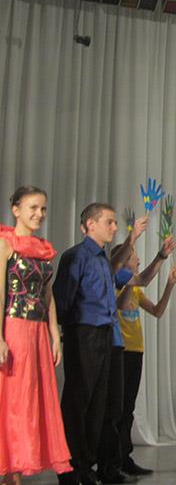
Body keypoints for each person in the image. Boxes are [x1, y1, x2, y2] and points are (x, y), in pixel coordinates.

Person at [54, 203, 147, 485]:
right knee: (79, 401)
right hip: (84, 333)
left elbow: (124, 279)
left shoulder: (103, 260)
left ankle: (87, 465)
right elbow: (63, 297)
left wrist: (133, 239)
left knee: (100, 405)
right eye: (109, 222)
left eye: (115, 222)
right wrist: (69, 332)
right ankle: (70, 468)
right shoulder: (76, 256)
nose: (114, 227)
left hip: (105, 335)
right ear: (90, 225)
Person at [0, 187, 72, 484]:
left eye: (42, 208)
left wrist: (54, 334)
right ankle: (9, 469)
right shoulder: (5, 244)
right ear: (16, 210)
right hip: (14, 327)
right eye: (33, 207)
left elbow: (47, 295)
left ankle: (16, 466)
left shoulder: (43, 248)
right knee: (14, 398)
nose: (39, 214)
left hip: (38, 331)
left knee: (31, 398)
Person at [97, 236, 174, 485]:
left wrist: (169, 286)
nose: (139, 260)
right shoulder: (115, 284)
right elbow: (119, 305)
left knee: (127, 407)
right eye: (134, 257)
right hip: (120, 351)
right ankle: (112, 460)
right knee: (116, 409)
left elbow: (158, 311)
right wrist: (130, 282)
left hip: (136, 351)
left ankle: (124, 457)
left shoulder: (136, 289)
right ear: (123, 261)